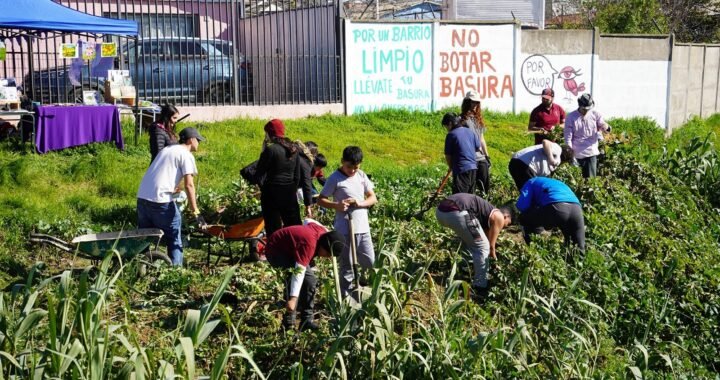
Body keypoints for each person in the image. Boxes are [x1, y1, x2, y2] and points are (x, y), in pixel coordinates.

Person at [137, 127, 207, 266]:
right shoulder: (186, 154)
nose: (199, 143)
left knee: (144, 238)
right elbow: (189, 185)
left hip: (142, 198)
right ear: (191, 140)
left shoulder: (167, 150)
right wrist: (196, 212)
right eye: (198, 140)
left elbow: (161, 173)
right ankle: (175, 272)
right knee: (174, 236)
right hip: (160, 201)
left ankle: (141, 266)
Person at [318, 146, 377, 299]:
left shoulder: (361, 176)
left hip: (362, 227)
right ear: (342, 161)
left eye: (355, 167)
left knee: (369, 261)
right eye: (349, 166)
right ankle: (345, 297)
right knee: (348, 266)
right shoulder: (334, 178)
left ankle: (362, 284)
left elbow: (372, 198)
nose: (352, 170)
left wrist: (359, 203)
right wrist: (336, 205)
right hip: (344, 229)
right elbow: (321, 199)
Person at [264, 222, 346, 331]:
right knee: (292, 280)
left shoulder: (323, 232)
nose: (327, 257)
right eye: (327, 254)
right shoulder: (309, 244)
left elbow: (308, 220)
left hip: (290, 250)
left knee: (310, 281)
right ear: (323, 246)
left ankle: (306, 321)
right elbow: (298, 272)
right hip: (276, 250)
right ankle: (288, 324)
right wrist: (293, 299)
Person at [435, 193, 514, 295]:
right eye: (507, 224)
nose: (504, 227)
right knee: (482, 247)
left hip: (441, 212)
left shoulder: (485, 214)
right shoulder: (499, 216)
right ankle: (480, 285)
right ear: (506, 216)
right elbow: (490, 247)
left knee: (471, 240)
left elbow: (482, 237)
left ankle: (465, 268)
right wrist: (495, 262)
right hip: (457, 211)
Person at [255, 119, 310, 236]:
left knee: (273, 228)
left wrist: (264, 189)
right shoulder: (293, 149)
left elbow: (259, 174)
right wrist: (292, 190)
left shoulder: (270, 149)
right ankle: (295, 250)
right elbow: (297, 176)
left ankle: (276, 252)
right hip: (289, 192)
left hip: (271, 193)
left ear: (269, 133)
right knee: (294, 226)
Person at [516, 177, 585, 251]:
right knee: (578, 247)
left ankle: (535, 250)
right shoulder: (556, 183)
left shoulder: (531, 181)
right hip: (577, 209)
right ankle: (575, 260)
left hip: (557, 207)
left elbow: (522, 206)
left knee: (524, 218)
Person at [564, 93, 611, 178]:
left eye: (588, 109)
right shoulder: (571, 117)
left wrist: (606, 127)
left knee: (590, 181)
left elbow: (603, 125)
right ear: (579, 105)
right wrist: (570, 154)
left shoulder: (595, 114)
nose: (586, 111)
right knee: (576, 181)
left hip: (591, 153)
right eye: (584, 109)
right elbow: (568, 138)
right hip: (577, 154)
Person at [508, 140, 575, 190]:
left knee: (525, 191)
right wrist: (550, 158)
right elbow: (545, 142)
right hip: (524, 164)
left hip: (515, 163)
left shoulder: (551, 166)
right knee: (532, 191)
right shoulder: (558, 149)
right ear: (565, 159)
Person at [460, 90, 491, 195]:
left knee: (485, 187)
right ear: (467, 102)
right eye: (473, 102)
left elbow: (482, 138)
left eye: (477, 102)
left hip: (481, 157)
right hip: (470, 159)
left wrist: (487, 156)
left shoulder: (478, 119)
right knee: (471, 189)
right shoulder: (461, 120)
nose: (475, 105)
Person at [442, 112, 480, 194]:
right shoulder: (470, 132)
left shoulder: (451, 135)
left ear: (450, 123)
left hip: (461, 170)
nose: (447, 129)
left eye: (446, 127)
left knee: (459, 199)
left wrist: (451, 167)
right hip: (473, 168)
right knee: (470, 197)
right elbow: (477, 148)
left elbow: (448, 155)